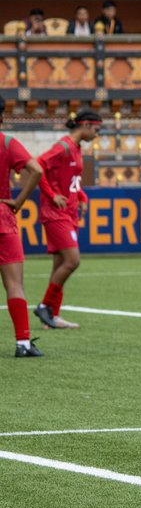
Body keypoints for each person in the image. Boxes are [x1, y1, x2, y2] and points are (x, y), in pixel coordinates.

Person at [33, 110, 102, 330]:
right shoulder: (62, 147)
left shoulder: (76, 148)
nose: (97, 135)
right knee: (72, 261)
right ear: (86, 126)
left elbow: (72, 180)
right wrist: (52, 195)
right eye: (97, 130)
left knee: (60, 265)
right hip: (56, 213)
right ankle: (45, 306)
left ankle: (52, 317)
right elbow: (37, 166)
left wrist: (81, 196)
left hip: (69, 212)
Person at [0, 95, 44, 357]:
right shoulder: (7, 142)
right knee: (14, 283)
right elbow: (36, 170)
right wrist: (18, 200)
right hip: (3, 215)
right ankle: (23, 343)